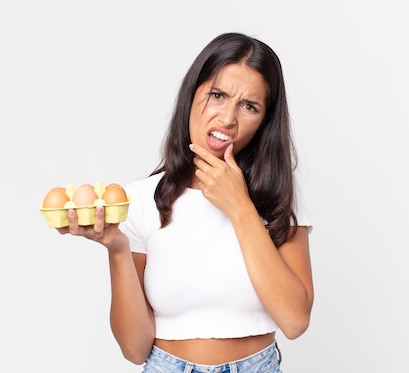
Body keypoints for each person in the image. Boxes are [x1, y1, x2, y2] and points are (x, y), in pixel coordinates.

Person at [56, 32, 314, 372]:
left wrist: (240, 207)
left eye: (249, 106)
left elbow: (294, 321)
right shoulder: (141, 200)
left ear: (265, 121)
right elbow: (135, 349)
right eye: (217, 95)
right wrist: (117, 248)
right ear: (191, 96)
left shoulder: (276, 197)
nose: (228, 119)